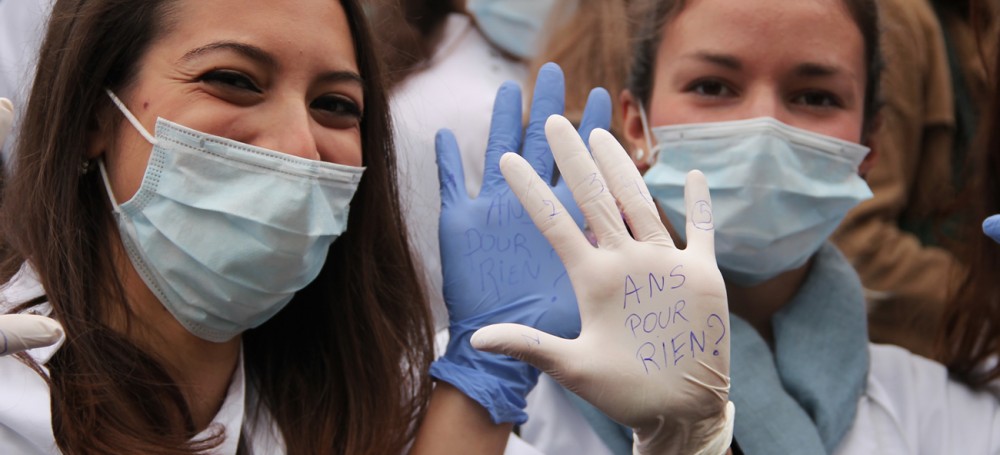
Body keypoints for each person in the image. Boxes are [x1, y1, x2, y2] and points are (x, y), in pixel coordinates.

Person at [509, 0, 1000, 453]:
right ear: (636, 124)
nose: (764, 126)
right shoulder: (521, 387)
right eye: (712, 87)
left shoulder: (949, 412)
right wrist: (479, 388)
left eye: (815, 96)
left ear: (869, 146)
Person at [0, 0, 437, 453]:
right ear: (95, 114)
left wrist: (482, 385)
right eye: (233, 80)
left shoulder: (386, 400)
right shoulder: (11, 400)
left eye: (335, 104)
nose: (301, 147)